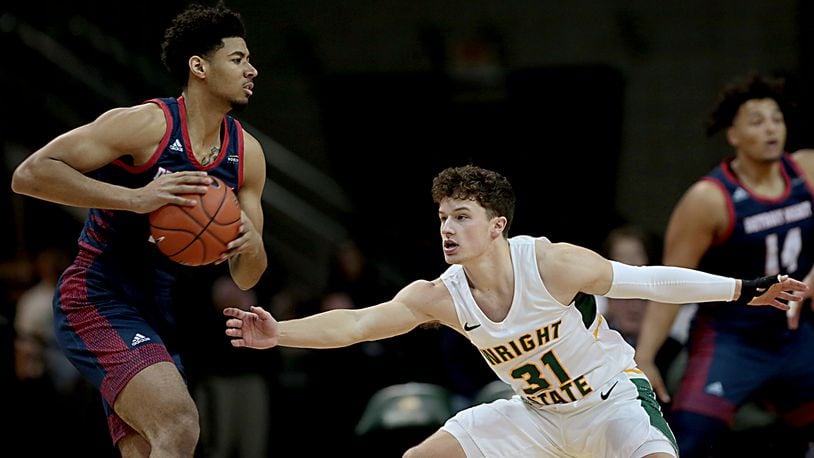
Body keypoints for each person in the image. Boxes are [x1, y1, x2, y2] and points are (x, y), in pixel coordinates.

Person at [224, 164, 804, 457]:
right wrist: (280, 334)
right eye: (443, 218)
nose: (447, 229)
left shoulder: (550, 263)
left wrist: (741, 287)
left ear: (497, 225)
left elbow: (648, 279)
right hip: (534, 414)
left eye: (462, 217)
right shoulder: (441, 294)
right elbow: (355, 324)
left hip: (610, 402)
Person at [10, 2, 268, 456]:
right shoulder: (145, 125)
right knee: (180, 422)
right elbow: (29, 174)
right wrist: (135, 198)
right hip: (97, 297)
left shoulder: (247, 154)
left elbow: (247, 276)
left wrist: (249, 244)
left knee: (150, 446)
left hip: (160, 313)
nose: (252, 69)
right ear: (199, 67)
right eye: (238, 59)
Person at [634, 74, 814, 457]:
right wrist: (645, 356)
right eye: (757, 121)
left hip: (796, 333)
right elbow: (670, 281)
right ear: (732, 135)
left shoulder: (807, 169)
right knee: (692, 436)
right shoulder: (708, 199)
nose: (770, 129)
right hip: (732, 338)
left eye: (776, 119)